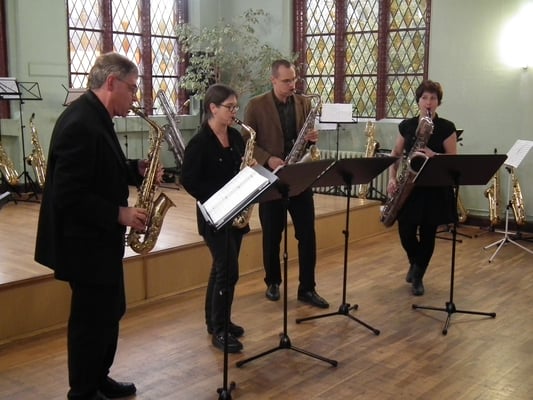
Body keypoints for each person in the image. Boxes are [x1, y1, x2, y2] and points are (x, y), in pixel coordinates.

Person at [35, 52, 151, 400]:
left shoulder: (96, 116)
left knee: (109, 312)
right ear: (111, 82)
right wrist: (119, 214)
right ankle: (83, 391)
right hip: (83, 244)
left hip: (99, 240)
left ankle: (99, 378)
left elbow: (100, 167)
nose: (134, 97)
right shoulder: (80, 123)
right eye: (132, 88)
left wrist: (135, 169)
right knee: (90, 322)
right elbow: (68, 194)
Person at [243, 59, 329, 309]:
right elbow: (247, 141)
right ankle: (273, 282)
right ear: (273, 80)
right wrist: (268, 158)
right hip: (270, 178)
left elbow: (306, 139)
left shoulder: (304, 103)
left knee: (307, 235)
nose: (292, 85)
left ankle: (307, 288)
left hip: (299, 175)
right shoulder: (256, 105)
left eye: (294, 79)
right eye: (286, 81)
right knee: (272, 235)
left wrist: (312, 139)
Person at [180, 83, 250, 353]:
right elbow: (189, 181)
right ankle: (219, 330)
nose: (234, 112)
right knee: (228, 271)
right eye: (229, 107)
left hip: (237, 212)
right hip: (214, 215)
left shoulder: (236, 137)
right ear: (212, 108)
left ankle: (217, 321)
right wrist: (218, 197)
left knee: (222, 269)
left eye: (235, 107)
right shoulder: (199, 143)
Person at [387, 79, 458, 296]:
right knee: (405, 230)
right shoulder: (407, 126)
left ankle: (418, 276)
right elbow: (395, 154)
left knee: (428, 233)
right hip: (410, 185)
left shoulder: (447, 127)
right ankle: (416, 262)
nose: (428, 102)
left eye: (433, 98)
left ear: (438, 102)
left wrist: (433, 154)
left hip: (435, 187)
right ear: (418, 100)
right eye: (424, 97)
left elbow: (453, 159)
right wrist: (392, 178)